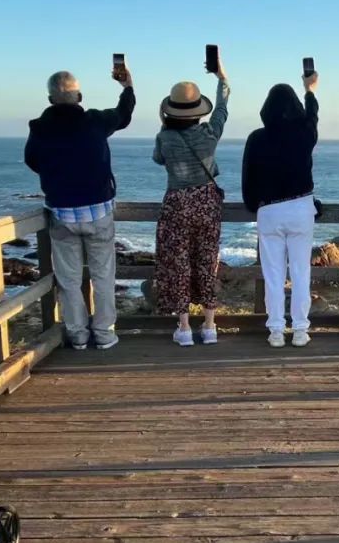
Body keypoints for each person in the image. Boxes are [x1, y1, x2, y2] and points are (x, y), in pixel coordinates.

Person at [25, 67, 135, 351]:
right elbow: (123, 115)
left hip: (62, 214)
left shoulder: (40, 128)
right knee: (103, 276)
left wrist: (57, 174)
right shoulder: (95, 121)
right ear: (80, 96)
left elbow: (32, 160)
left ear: (51, 99)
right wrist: (127, 87)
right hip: (99, 212)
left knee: (69, 280)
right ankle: (104, 334)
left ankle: (78, 335)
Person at [152, 55, 230, 347]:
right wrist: (222, 79)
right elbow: (221, 110)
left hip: (176, 203)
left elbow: (159, 159)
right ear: (198, 111)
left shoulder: (165, 137)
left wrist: (165, 126)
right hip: (206, 202)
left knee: (179, 264)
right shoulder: (209, 133)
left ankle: (184, 328)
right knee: (207, 261)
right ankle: (209, 326)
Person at [241, 72, 320, 348]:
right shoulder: (304, 134)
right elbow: (312, 117)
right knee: (301, 272)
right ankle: (300, 330)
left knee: (273, 275)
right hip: (301, 209)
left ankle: (275, 330)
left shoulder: (256, 138)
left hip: (270, 212)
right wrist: (310, 91)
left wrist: (254, 205)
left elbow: (248, 180)